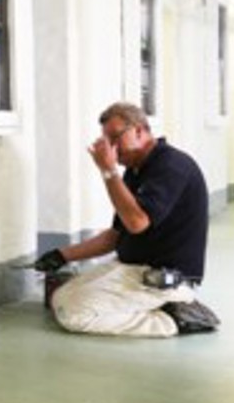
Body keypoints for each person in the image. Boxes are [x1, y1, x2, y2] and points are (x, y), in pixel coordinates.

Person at [33, 102, 220, 338]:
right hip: (132, 268)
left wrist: (108, 171)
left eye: (115, 138)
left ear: (140, 131)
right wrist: (61, 255)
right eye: (106, 140)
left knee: (73, 313)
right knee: (60, 297)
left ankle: (174, 320)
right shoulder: (135, 170)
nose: (110, 147)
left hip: (162, 277)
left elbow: (137, 222)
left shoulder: (172, 166)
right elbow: (115, 235)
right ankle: (158, 307)